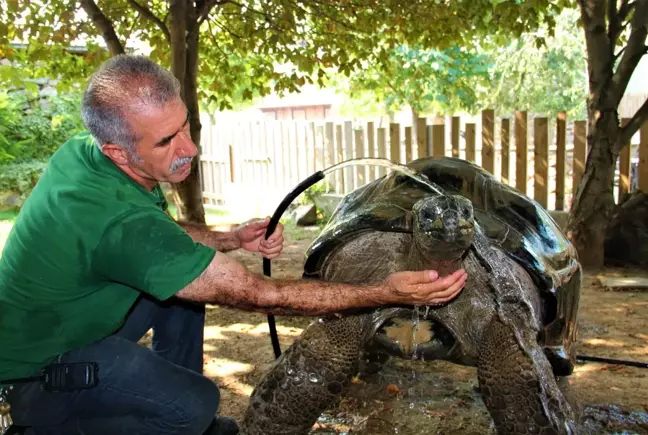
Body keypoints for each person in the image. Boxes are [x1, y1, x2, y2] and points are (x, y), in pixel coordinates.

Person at [0, 55, 467, 435]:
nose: (190, 148)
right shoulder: (114, 219)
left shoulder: (86, 154)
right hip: (39, 366)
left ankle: (171, 407)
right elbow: (259, 295)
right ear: (117, 151)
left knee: (179, 299)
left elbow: (157, 236)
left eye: (185, 126)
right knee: (196, 405)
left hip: (64, 315)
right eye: (167, 141)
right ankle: (53, 426)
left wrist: (229, 238)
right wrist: (386, 293)